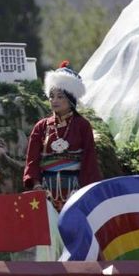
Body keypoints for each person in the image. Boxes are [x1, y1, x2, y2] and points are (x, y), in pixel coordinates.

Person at [23, 61, 102, 211]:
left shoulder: (82, 125)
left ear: (71, 99)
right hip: (46, 189)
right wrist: (36, 183)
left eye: (60, 96)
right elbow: (32, 159)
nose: (54, 100)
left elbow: (89, 159)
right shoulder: (41, 126)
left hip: (75, 188)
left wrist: (86, 189)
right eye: (51, 96)